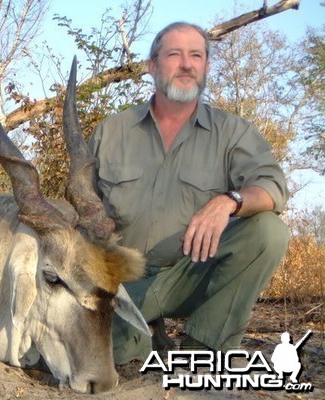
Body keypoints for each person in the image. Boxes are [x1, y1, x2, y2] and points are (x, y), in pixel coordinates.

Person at [89, 21, 290, 364]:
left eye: (196, 55)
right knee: (104, 351)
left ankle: (205, 345)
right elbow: (80, 213)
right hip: (123, 281)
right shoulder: (111, 131)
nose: (186, 64)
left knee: (269, 231)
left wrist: (230, 201)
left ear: (206, 67)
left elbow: (273, 187)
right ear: (152, 67)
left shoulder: (232, 131)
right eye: (174, 54)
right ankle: (146, 334)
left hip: (191, 276)